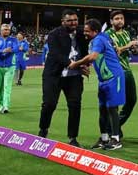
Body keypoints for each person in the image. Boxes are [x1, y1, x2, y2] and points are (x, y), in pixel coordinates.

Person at [69, 19, 125, 151]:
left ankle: (115, 139)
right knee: (102, 109)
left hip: (113, 76)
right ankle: (104, 138)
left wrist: (75, 64)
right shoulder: (101, 38)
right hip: (104, 79)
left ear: (95, 31)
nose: (85, 34)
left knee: (112, 109)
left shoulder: (98, 40)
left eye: (87, 31)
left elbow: (93, 56)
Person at [39, 9, 88, 147]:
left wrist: (85, 64)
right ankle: (43, 129)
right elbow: (55, 54)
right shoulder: (54, 34)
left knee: (75, 106)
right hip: (54, 74)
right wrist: (72, 64)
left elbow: (85, 51)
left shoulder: (81, 33)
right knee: (49, 104)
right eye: (70, 21)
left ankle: (73, 137)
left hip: (74, 77)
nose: (73, 23)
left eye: (75, 20)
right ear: (63, 22)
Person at [105, 10, 138, 138]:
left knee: (132, 100)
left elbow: (133, 53)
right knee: (115, 103)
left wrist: (134, 48)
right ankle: (114, 130)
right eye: (117, 18)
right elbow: (115, 52)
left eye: (121, 18)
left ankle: (115, 126)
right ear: (111, 21)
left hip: (127, 71)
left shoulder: (126, 33)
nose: (120, 20)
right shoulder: (107, 35)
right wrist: (128, 45)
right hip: (114, 72)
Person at [0, 24, 19, 113]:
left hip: (10, 67)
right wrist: (2, 51)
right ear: (1, 30)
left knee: (7, 87)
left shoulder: (14, 39)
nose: (6, 31)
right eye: (4, 29)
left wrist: (10, 50)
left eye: (8, 29)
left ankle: (6, 106)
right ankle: (1, 104)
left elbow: (16, 49)